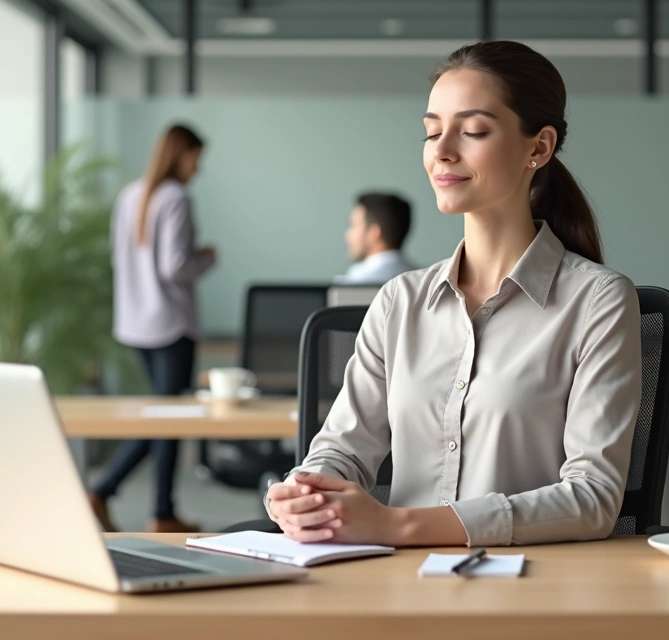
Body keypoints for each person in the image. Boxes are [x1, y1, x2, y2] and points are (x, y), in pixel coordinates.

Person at [264, 40, 642, 547]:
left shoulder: (598, 301)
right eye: (432, 131)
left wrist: (396, 525)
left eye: (474, 131)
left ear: (539, 147)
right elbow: (343, 452)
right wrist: (307, 491)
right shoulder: (399, 301)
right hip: (399, 586)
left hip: (529, 588)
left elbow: (593, 497)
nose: (442, 150)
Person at [88, 124, 216, 534]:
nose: (199, 167)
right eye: (196, 157)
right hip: (170, 325)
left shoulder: (130, 195)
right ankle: (143, 506)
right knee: (171, 418)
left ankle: (129, 499)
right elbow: (174, 267)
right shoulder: (176, 197)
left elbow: (120, 258)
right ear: (181, 154)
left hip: (135, 324)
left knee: (164, 412)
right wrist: (206, 258)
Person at [335, 192, 419, 285]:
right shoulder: (425, 279)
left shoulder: (356, 282)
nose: (347, 236)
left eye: (354, 225)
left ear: (374, 233)